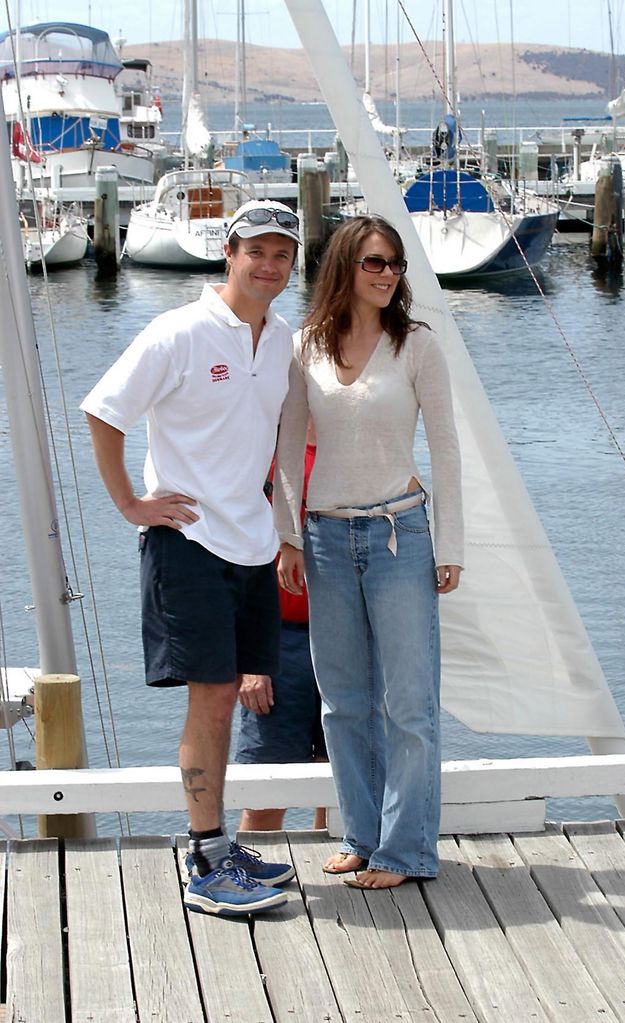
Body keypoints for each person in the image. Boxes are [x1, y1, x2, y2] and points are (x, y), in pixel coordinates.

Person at [80, 199, 301, 918]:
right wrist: (131, 505)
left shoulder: (282, 341)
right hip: (188, 543)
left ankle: (219, 847)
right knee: (209, 700)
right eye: (255, 250)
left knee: (226, 697)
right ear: (228, 252)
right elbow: (103, 410)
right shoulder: (177, 331)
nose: (268, 264)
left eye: (282, 253)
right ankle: (206, 861)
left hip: (253, 545)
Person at [274, 214, 464, 890]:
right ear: (346, 268)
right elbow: (290, 446)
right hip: (324, 538)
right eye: (375, 263)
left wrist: (451, 544)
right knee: (343, 700)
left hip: (399, 534)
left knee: (409, 701)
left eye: (395, 265)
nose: (388, 275)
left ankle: (406, 851)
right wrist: (288, 534)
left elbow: (445, 449)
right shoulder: (306, 346)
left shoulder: (416, 346)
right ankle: (363, 836)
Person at [235, 420, 327, 832]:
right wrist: (250, 660)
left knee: (341, 780)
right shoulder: (260, 459)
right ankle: (250, 869)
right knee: (266, 787)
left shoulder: (361, 454)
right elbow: (237, 560)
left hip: (348, 637)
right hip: (277, 640)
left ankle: (342, 870)